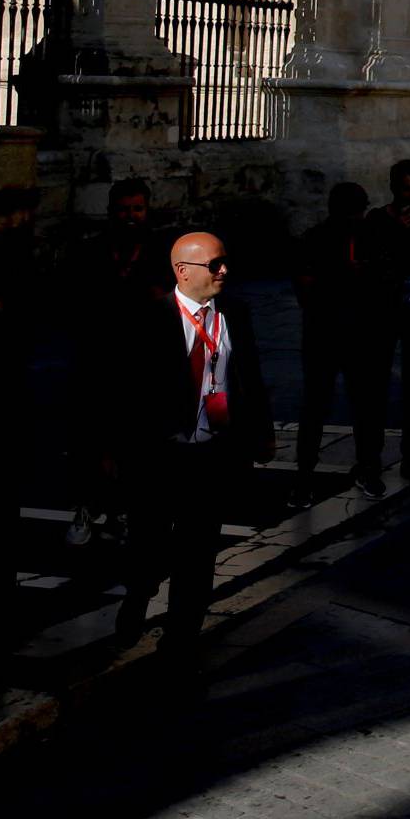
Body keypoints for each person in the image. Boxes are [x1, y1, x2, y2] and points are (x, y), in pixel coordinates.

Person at [113, 232, 274, 654]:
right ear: (182, 272)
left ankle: (181, 636)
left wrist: (260, 435)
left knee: (198, 551)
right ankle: (138, 594)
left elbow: (249, 378)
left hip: (212, 452)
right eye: (214, 265)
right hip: (160, 455)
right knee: (148, 543)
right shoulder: (149, 319)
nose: (224, 271)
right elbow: (120, 394)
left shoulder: (234, 313)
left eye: (225, 262)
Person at [64, 177, 167, 547]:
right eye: (124, 209)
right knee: (94, 439)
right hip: (99, 359)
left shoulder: (160, 252)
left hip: (143, 362)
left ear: (147, 210)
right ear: (112, 212)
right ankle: (89, 507)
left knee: (136, 442)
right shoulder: (92, 253)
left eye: (137, 209)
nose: (130, 216)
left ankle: (123, 511)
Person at [350, 158, 410, 498]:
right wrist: (398, 232)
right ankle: (369, 463)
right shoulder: (376, 221)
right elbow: (371, 262)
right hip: (382, 312)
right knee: (374, 389)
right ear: (394, 188)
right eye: (408, 189)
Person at [292, 180, 369, 485]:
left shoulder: (319, 239)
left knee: (320, 404)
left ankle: (308, 467)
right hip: (335, 330)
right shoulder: (323, 240)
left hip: (330, 330)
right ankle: (313, 465)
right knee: (342, 402)